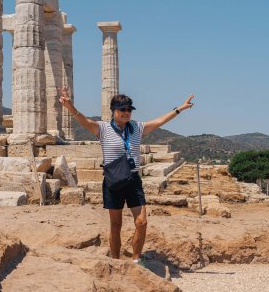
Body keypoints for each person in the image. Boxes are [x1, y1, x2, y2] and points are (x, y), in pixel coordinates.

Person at [59, 89, 195, 268]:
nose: (126, 113)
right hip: (113, 181)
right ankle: (115, 261)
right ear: (114, 111)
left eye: (129, 109)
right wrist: (70, 106)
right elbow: (83, 120)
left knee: (142, 221)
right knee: (116, 224)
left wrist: (179, 109)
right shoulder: (103, 129)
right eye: (122, 109)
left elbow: (160, 121)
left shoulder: (137, 128)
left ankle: (136, 260)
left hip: (133, 180)